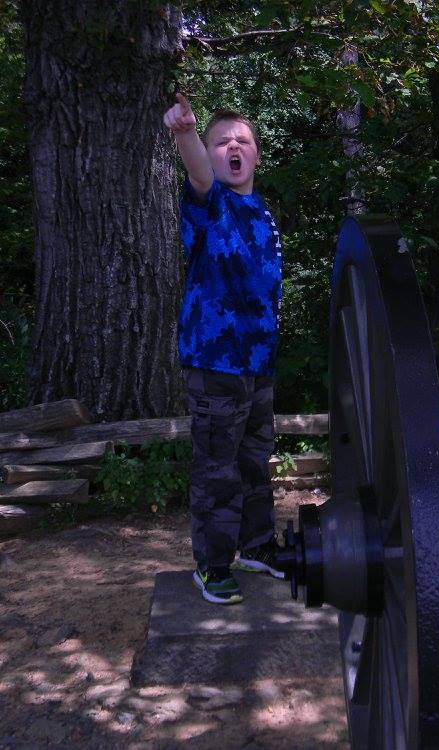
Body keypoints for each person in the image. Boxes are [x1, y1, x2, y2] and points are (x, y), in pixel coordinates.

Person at [163, 92, 284, 605]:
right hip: (215, 365)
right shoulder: (211, 203)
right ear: (212, 156)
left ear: (256, 155)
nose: (233, 147)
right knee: (218, 469)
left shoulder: (263, 213)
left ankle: (257, 545)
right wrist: (187, 132)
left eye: (244, 141)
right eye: (222, 142)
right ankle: (212, 565)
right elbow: (197, 175)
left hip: (258, 364)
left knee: (255, 460)